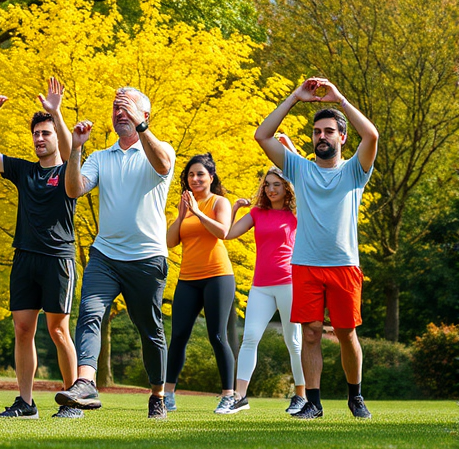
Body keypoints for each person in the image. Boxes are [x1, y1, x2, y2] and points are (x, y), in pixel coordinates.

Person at [254, 77, 377, 420]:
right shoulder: (299, 168)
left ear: (342, 137)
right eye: (316, 132)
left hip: (344, 265)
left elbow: (372, 136)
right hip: (305, 263)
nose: (321, 136)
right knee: (309, 334)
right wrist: (294, 98)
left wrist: (340, 99)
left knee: (346, 333)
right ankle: (314, 403)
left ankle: (355, 396)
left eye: (328, 131)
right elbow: (262, 136)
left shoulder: (355, 170)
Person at [54, 87, 175, 420]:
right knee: (90, 313)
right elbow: (73, 188)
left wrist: (142, 129)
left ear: (145, 116)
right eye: (116, 108)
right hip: (105, 256)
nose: (120, 112)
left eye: (128, 108)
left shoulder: (160, 149)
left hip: (148, 258)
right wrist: (77, 149)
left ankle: (157, 394)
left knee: (150, 330)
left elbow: (164, 166)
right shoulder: (101, 157)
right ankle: (86, 384)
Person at [0, 78, 81, 419]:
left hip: (58, 259)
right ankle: (26, 403)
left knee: (58, 329)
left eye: (45, 133)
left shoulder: (70, 169)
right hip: (25, 257)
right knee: (23, 329)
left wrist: (56, 113)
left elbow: (69, 151)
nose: (39, 138)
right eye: (36, 133)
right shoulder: (24, 170)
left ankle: (73, 400)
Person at [224, 160, 306, 415]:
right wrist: (235, 207)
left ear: (287, 188)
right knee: (249, 338)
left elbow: (309, 197)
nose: (271, 190)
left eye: (277, 185)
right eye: (267, 185)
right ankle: (239, 397)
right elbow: (227, 233)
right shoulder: (258, 213)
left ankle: (302, 396)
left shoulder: (295, 213)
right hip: (260, 286)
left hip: (288, 283)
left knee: (293, 342)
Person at [164, 154, 236, 414]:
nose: (195, 179)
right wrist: (182, 215)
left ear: (211, 177)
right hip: (188, 279)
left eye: (200, 174)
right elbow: (171, 241)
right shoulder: (184, 205)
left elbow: (223, 232)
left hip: (218, 276)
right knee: (178, 337)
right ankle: (167, 394)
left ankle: (229, 395)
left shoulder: (220, 202)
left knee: (217, 336)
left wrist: (196, 212)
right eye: (191, 175)